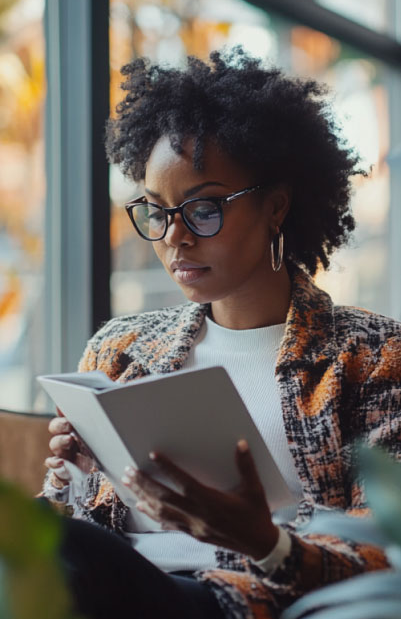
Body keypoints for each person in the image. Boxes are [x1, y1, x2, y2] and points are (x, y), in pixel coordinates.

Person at [41, 47, 401, 619]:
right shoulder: (121, 349)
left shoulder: (371, 354)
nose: (174, 238)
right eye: (157, 212)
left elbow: (387, 552)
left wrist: (267, 542)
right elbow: (74, 529)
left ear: (276, 207)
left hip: (244, 597)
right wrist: (78, 479)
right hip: (115, 581)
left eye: (203, 209)